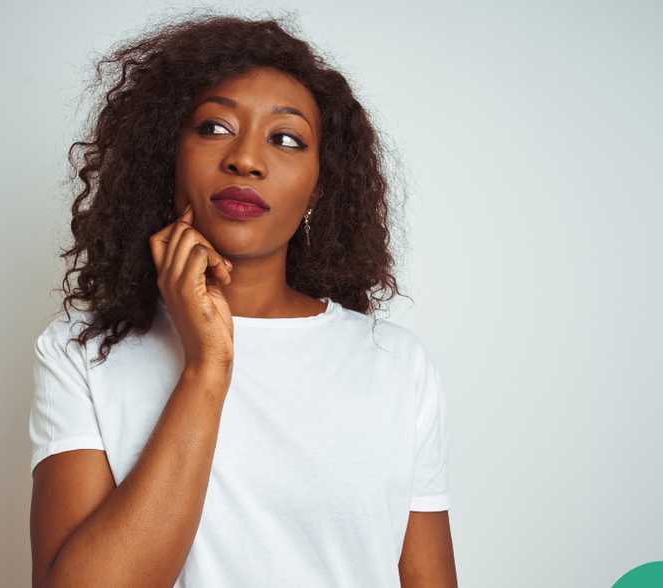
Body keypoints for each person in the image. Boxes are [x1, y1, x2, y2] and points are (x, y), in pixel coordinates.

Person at [29, 12, 456, 588]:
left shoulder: (394, 364)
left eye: (286, 139)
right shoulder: (84, 352)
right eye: (214, 128)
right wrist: (207, 369)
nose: (246, 160)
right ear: (166, 156)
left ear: (318, 185)